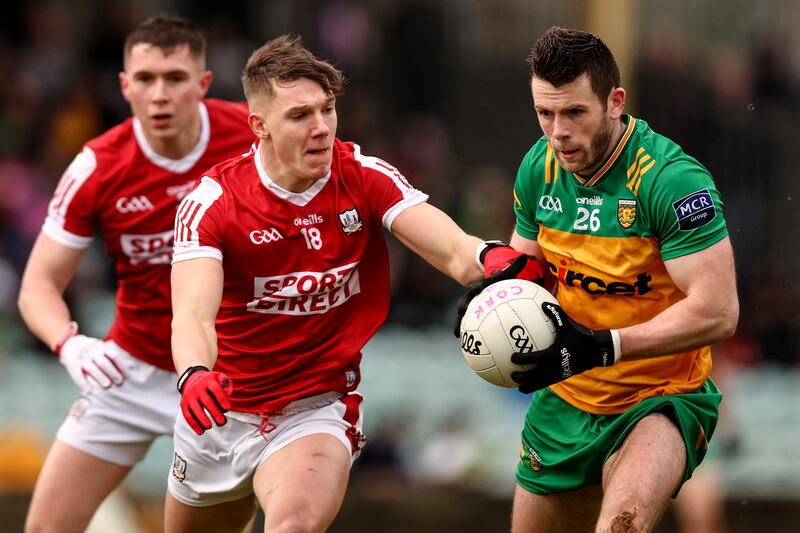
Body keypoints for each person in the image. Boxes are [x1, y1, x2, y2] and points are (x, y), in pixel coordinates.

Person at [165, 34, 543, 533]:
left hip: (315, 410)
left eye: (327, 109)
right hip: (220, 417)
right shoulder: (212, 202)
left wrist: (489, 255)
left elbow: (452, 249)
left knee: (293, 525)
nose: (321, 127)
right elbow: (192, 313)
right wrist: (193, 373)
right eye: (300, 116)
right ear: (259, 126)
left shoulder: (361, 175)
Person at [456, 27, 739, 532]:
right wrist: (493, 297)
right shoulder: (538, 168)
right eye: (545, 114)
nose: (557, 131)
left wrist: (604, 346)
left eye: (574, 113)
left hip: (660, 397)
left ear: (615, 102)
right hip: (565, 399)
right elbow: (529, 273)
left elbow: (719, 310)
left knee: (622, 524)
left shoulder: (671, 182)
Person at [17, 14, 255, 533]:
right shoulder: (97, 167)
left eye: (174, 78)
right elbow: (37, 285)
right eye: (145, 80)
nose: (160, 94)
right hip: (134, 369)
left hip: (228, 375)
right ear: (124, 86)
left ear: (203, 84)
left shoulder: (254, 141)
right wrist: (70, 345)